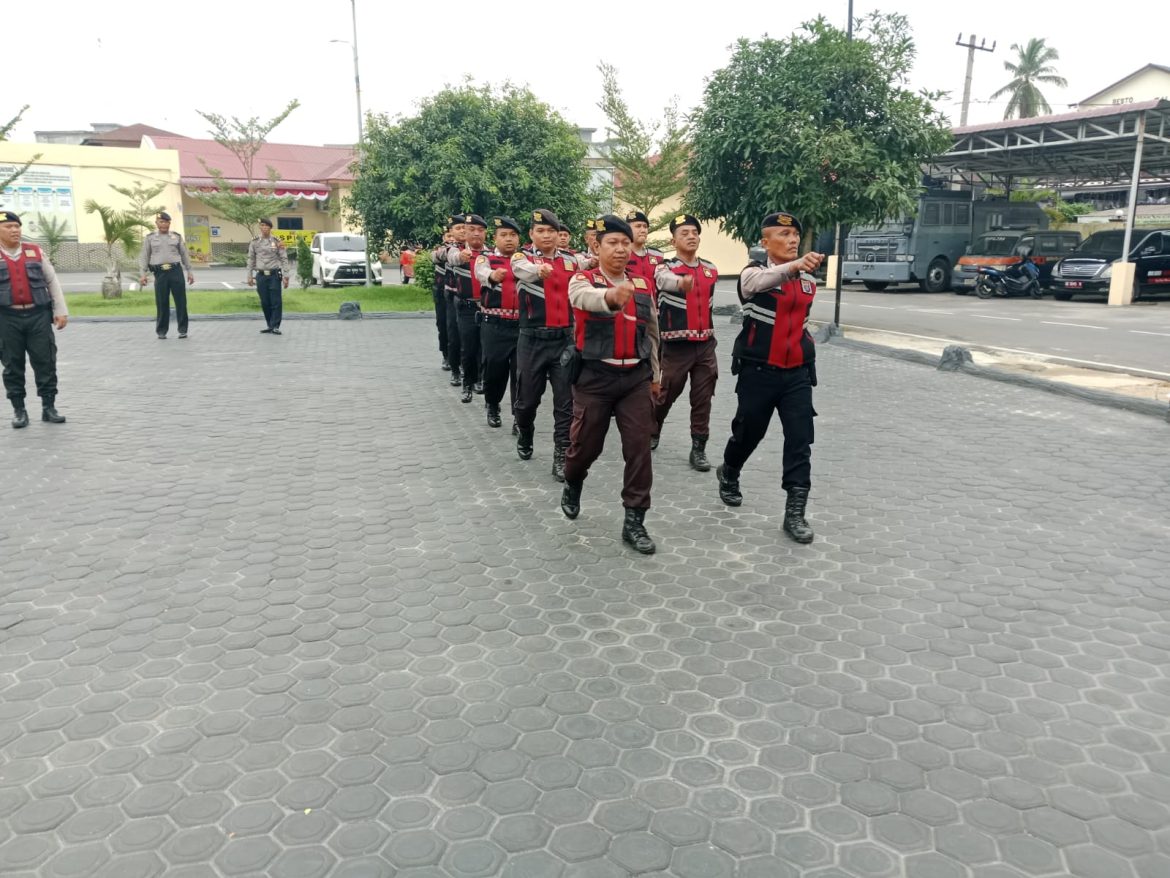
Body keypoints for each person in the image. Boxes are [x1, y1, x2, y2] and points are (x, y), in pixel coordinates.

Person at [717, 211, 824, 544]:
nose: (792, 240)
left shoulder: (808, 281)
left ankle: (795, 511)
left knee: (800, 439)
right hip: (758, 372)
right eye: (783, 234)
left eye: (795, 234)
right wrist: (792, 266)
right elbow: (756, 285)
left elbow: (800, 321)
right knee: (749, 433)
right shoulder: (752, 274)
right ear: (765, 242)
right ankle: (730, 471)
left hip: (797, 376)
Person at [561, 214, 661, 555]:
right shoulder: (581, 279)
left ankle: (635, 520)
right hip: (595, 378)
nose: (620, 249)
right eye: (612, 243)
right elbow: (584, 300)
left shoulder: (643, 285)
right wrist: (610, 299)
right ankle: (573, 480)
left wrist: (657, 376)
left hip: (635, 377)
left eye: (625, 243)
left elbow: (652, 333)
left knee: (639, 449)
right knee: (585, 448)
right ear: (597, 246)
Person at [511, 209, 577, 479]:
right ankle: (525, 431)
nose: (547, 235)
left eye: (552, 231)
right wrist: (539, 269)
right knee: (527, 402)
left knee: (566, 403)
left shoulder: (572, 261)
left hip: (564, 341)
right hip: (532, 340)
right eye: (541, 231)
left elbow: (593, 267)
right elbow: (520, 269)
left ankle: (562, 455)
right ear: (531, 234)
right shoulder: (522, 258)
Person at [651, 214, 719, 470]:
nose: (691, 236)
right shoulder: (664, 267)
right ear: (673, 240)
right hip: (676, 345)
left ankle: (698, 448)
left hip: (705, 345)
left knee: (703, 398)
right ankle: (653, 428)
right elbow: (662, 282)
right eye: (684, 233)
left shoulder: (711, 269)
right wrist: (681, 282)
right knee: (666, 394)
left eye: (694, 232)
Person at [0, 211, 68, 428]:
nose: (14, 230)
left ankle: (49, 408)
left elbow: (52, 281)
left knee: (46, 362)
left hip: (38, 316)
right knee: (12, 365)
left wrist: (60, 310)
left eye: (16, 226)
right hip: (7, 318)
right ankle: (19, 411)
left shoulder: (35, 251)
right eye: (8, 226)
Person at [474, 216, 522, 429]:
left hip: (523, 326)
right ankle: (492, 404)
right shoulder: (485, 259)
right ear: (495, 238)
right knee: (495, 369)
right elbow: (481, 274)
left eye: (513, 235)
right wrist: (493, 276)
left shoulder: (526, 262)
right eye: (503, 235)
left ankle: (520, 416)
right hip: (494, 324)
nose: (509, 239)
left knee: (521, 373)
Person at [446, 214, 488, 404]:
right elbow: (449, 257)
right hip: (467, 307)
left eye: (480, 230)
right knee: (468, 347)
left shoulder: (492, 254)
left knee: (485, 348)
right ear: (465, 232)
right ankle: (467, 383)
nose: (476, 234)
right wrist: (460, 256)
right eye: (471, 230)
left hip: (488, 308)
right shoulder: (458, 252)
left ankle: (480, 379)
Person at [139, 211, 194, 339]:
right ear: (157, 223)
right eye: (161, 222)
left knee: (181, 301)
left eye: (166, 222)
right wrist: (143, 274)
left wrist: (190, 271)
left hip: (176, 271)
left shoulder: (176, 237)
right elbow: (144, 257)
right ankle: (162, 331)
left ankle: (183, 329)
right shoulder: (150, 238)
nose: (164, 224)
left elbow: (184, 255)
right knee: (161, 302)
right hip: (160, 273)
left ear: (170, 223)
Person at [247, 218, 290, 335]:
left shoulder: (277, 241)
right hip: (261, 275)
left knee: (276, 301)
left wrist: (286, 276)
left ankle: (275, 326)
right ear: (260, 227)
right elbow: (251, 259)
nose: (264, 228)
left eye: (267, 226)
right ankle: (269, 325)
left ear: (270, 228)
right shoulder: (255, 241)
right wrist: (249, 275)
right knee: (265, 301)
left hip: (274, 275)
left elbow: (284, 258)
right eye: (262, 225)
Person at [442, 217, 467, 387]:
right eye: (458, 228)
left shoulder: (480, 248)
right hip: (452, 297)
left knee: (471, 338)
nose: (463, 231)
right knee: (454, 335)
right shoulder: (450, 249)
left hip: (471, 299)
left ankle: (474, 372)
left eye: (465, 227)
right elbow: (450, 258)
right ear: (451, 231)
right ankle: (455, 371)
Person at [624, 210, 665, 298]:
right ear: (627, 229)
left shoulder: (657, 255)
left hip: (655, 308)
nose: (643, 230)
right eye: (638, 226)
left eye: (645, 227)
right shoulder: (621, 254)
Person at [432, 227, 453, 370]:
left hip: (454, 294)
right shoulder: (439, 251)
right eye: (448, 235)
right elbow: (435, 256)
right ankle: (446, 355)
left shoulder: (466, 251)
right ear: (443, 237)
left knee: (455, 328)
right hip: (440, 292)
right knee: (443, 325)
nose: (451, 238)